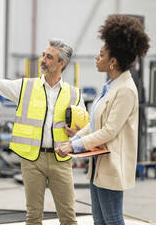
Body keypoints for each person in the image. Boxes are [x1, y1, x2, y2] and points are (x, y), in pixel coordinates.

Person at [0, 39, 85, 225]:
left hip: (61, 161)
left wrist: (78, 133)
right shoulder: (25, 87)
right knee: (33, 216)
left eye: (49, 57)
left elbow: (85, 128)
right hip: (32, 160)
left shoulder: (74, 94)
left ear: (62, 64)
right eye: (43, 55)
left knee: (68, 217)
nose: (43, 59)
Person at [56, 15, 150, 225]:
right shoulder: (110, 87)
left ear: (113, 62)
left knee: (112, 219)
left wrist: (74, 145)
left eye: (101, 55)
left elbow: (109, 131)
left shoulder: (125, 90)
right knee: (99, 220)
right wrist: (76, 137)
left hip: (111, 165)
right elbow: (94, 123)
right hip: (98, 163)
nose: (97, 59)